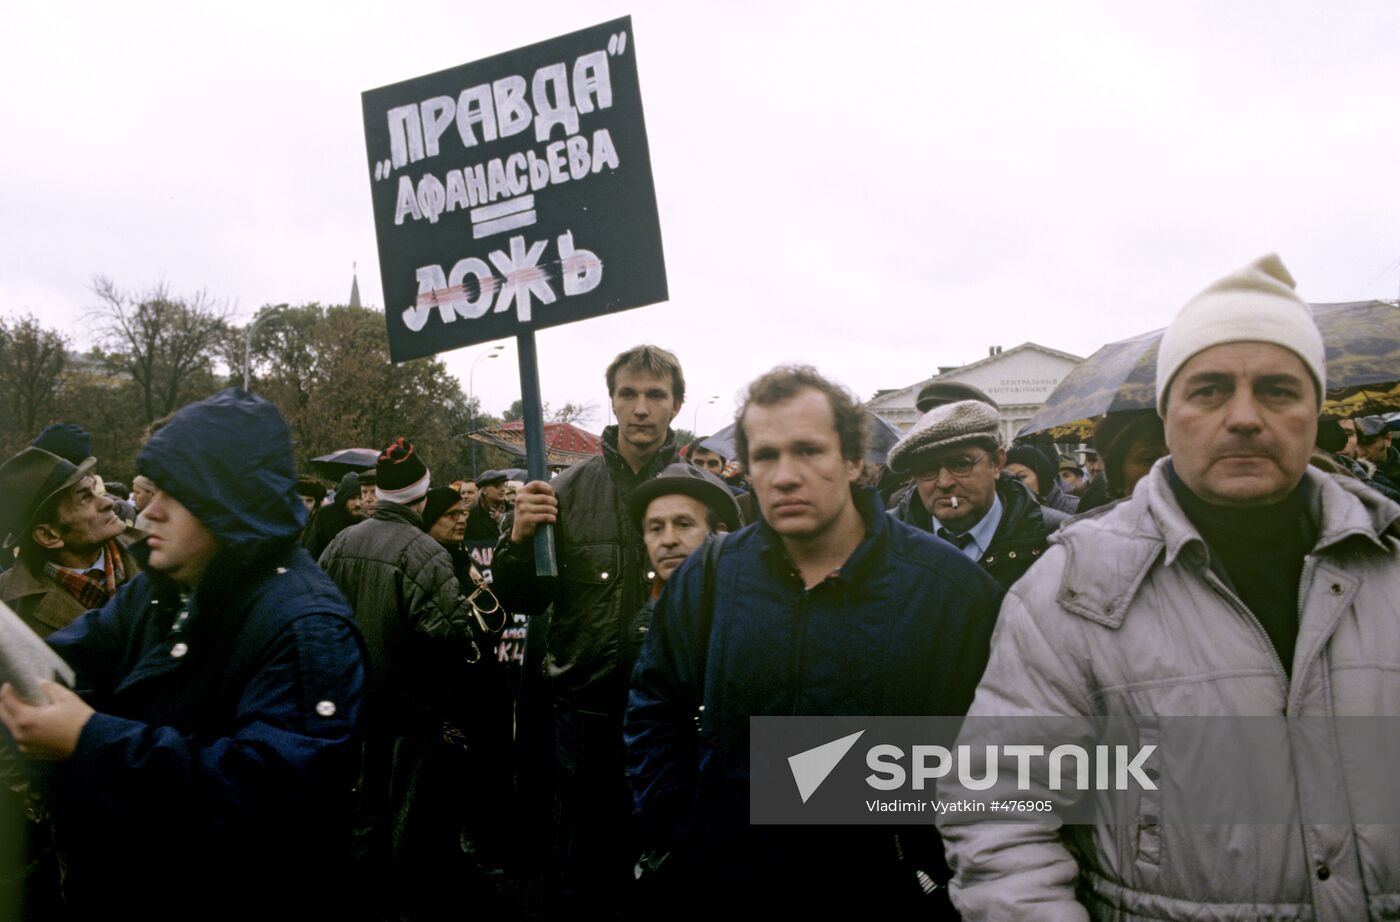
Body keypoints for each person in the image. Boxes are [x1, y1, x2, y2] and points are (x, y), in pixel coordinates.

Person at [938, 254, 1400, 919]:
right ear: (1168, 415)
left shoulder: (1388, 564)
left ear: (1314, 410)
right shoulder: (1071, 589)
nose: (1243, 417)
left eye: (1277, 389)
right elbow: (1000, 812)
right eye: (1209, 390)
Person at [625, 365, 1003, 909]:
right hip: (727, 880)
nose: (784, 476)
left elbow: (991, 751)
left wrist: (926, 861)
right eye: (765, 456)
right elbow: (655, 704)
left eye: (808, 451)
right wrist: (681, 826)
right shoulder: (710, 576)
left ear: (854, 461)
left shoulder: (951, 590)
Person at [0, 387, 366, 919]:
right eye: (151, 491)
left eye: (176, 493)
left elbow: (275, 797)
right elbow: (64, 666)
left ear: (229, 500)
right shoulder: (161, 586)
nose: (147, 513)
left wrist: (88, 740)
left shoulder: (306, 626)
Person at [491, 344, 685, 907]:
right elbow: (525, 598)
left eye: (655, 395)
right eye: (629, 394)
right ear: (613, 401)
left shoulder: (703, 495)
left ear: (676, 405)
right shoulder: (566, 491)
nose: (641, 408)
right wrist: (520, 543)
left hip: (674, 716)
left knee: (670, 859)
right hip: (587, 716)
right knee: (587, 861)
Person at [318, 437, 485, 921]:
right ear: (420, 496)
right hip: (409, 710)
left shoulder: (340, 543)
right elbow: (449, 635)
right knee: (408, 817)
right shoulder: (424, 552)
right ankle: (400, 909)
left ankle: (357, 898)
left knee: (360, 810)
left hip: (351, 707)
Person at [418, 486, 514, 879]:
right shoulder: (431, 563)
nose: (460, 519)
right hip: (453, 685)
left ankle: (482, 840)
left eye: (462, 513)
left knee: (488, 761)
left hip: (484, 679)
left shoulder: (461, 558)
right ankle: (458, 846)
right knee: (457, 767)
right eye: (450, 515)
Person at [888, 400, 1068, 590]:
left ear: (997, 463)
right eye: (926, 469)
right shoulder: (886, 540)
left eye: (961, 464)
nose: (944, 482)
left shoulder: (1056, 536)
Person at [0, 447, 138, 637]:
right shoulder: (9, 612)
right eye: (84, 498)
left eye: (95, 491)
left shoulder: (157, 553)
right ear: (49, 535)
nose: (108, 503)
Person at [625, 462, 742, 652]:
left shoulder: (753, 620)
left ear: (720, 533)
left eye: (684, 524)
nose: (668, 540)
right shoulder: (644, 630)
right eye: (655, 528)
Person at [1080, 409, 1169, 511]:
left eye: (1174, 458)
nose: (1169, 467)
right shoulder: (1097, 510)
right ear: (1117, 471)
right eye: (1149, 459)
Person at [302, 471, 362, 561]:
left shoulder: (367, 518)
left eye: (360, 497)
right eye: (352, 498)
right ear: (344, 498)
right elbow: (312, 549)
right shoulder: (326, 515)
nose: (358, 503)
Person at [1005, 443, 1079, 514]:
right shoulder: (1007, 511)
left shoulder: (1075, 508)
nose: (1015, 483)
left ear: (1041, 477)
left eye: (1022, 477)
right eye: (1008, 477)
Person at [463, 470, 510, 541]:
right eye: (497, 486)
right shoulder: (471, 517)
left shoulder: (514, 511)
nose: (503, 489)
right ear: (484, 490)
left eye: (504, 485)